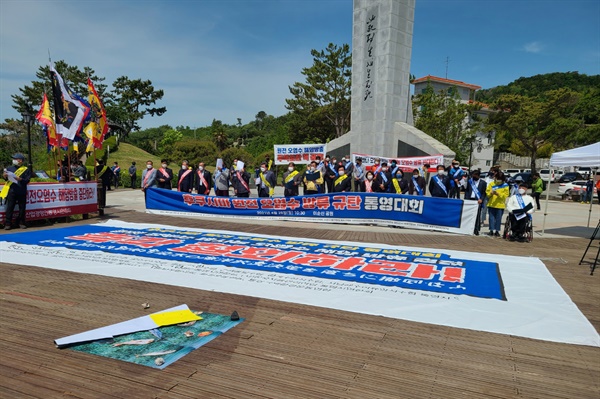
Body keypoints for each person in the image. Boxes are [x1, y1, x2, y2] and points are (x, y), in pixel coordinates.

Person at [1, 153, 31, 230]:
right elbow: (7, 179)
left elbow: (27, 180)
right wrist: (4, 176)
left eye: (15, 159)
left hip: (21, 190)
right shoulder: (9, 168)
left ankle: (21, 223)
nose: (14, 160)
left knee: (22, 208)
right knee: (10, 207)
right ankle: (8, 223)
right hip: (12, 190)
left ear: (20, 160)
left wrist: (20, 179)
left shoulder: (26, 169)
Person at [486, 171, 510, 237]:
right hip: (491, 203)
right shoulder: (491, 184)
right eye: (497, 178)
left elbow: (506, 195)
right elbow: (487, 192)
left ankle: (497, 231)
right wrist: (490, 193)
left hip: (500, 204)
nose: (498, 180)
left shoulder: (505, 185)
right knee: (491, 218)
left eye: (500, 179)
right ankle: (491, 230)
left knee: (498, 218)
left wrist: (498, 194)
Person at [464, 170, 487, 235]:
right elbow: (467, 191)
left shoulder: (483, 183)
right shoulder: (470, 182)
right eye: (472, 176)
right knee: (469, 215)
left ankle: (476, 229)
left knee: (477, 215)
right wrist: (466, 199)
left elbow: (483, 193)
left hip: (478, 200)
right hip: (470, 200)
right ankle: (468, 228)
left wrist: (481, 199)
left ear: (478, 176)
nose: (473, 177)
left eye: (475, 176)